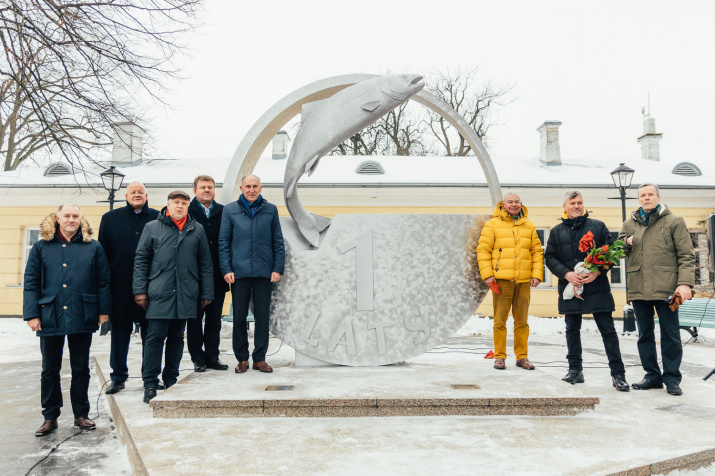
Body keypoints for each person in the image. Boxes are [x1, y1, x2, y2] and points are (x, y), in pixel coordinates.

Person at [23, 204, 111, 437]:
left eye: (75, 216)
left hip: (83, 312)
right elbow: (31, 281)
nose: (71, 220)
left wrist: (103, 312)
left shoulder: (93, 247)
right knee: (49, 369)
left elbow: (103, 281)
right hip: (49, 314)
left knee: (80, 368)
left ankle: (81, 414)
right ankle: (50, 417)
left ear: (80, 220)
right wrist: (32, 314)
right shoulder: (41, 247)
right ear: (58, 219)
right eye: (67, 216)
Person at [133, 191, 214, 403]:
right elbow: (141, 260)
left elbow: (205, 263)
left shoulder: (196, 229)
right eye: (176, 202)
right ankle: (150, 383)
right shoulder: (152, 227)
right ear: (168, 205)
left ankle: (171, 379)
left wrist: (207, 292)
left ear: (188, 206)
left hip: (186, 292)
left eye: (184, 203)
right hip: (159, 291)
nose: (180, 206)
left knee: (177, 338)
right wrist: (140, 290)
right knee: (155, 338)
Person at [544, 191, 629, 391]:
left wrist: (598, 271)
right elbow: (550, 257)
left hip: (597, 288)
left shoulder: (598, 226)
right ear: (564, 206)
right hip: (571, 287)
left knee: (608, 331)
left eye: (579, 202)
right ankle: (575, 370)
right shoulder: (556, 231)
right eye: (572, 203)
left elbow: (612, 252)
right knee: (572, 330)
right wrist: (566, 274)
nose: (576, 206)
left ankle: (618, 375)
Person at [619, 183, 695, 396]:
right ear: (639, 199)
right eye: (643, 195)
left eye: (650, 194)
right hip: (639, 287)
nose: (646, 198)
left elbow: (686, 255)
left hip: (667, 289)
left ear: (658, 198)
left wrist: (684, 283)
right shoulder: (630, 223)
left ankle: (672, 378)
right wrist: (627, 241)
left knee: (670, 334)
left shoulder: (674, 221)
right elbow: (619, 249)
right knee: (644, 335)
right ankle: (652, 376)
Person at [219, 174, 285, 374]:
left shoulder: (270, 209)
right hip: (239, 273)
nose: (251, 190)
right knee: (239, 317)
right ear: (241, 188)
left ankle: (259, 359)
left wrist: (277, 268)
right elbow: (224, 242)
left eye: (255, 186)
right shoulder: (230, 210)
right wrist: (227, 269)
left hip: (264, 272)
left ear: (260, 188)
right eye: (248, 186)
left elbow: (277, 241)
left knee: (262, 317)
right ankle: (242, 359)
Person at [98, 181, 160, 395]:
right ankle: (118, 377)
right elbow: (103, 256)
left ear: (146, 195)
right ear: (126, 196)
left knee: (150, 335)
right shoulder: (110, 219)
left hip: (151, 286)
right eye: (133, 192)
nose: (137, 195)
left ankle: (150, 377)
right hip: (120, 286)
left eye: (141, 192)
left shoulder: (158, 218)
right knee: (119, 333)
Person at [477, 191, 543, 370]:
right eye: (510, 202)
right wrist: (488, 274)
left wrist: (537, 274)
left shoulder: (529, 225)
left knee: (522, 322)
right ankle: (499, 356)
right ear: (503, 204)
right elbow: (483, 250)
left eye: (517, 201)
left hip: (523, 281)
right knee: (500, 321)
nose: (514, 204)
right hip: (501, 281)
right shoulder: (492, 224)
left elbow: (536, 251)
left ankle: (522, 357)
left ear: (521, 204)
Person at [187, 175, 230, 372]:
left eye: (210, 187)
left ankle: (213, 357)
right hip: (193, 277)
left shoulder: (224, 211)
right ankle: (198, 359)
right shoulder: (188, 211)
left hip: (217, 276)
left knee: (214, 320)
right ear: (195, 191)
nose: (207, 190)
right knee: (194, 320)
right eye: (203, 187)